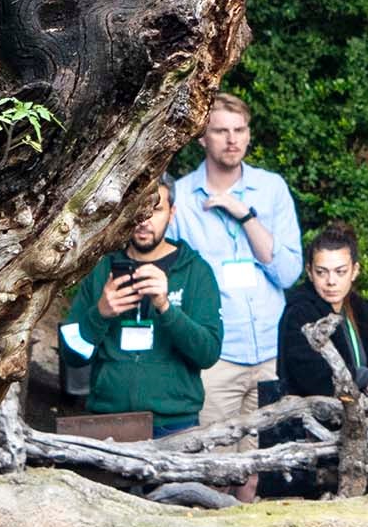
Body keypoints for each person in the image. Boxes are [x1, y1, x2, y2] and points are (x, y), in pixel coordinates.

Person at [167, 94, 304, 425]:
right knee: (216, 468)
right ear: (201, 137)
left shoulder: (271, 189)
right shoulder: (181, 199)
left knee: (266, 469)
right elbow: (176, 283)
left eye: (239, 130)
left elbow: (288, 274)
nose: (232, 140)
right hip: (216, 358)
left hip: (272, 351)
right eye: (220, 131)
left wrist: (246, 217)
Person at [55, 184, 223, 435]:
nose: (144, 220)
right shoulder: (102, 269)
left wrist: (166, 308)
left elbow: (208, 353)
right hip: (108, 423)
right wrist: (99, 314)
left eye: (155, 210)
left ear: (172, 212)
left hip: (174, 425)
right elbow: (72, 356)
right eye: (137, 210)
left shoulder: (195, 271)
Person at [272, 228, 368, 402]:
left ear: (354, 271)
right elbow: (310, 376)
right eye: (321, 272)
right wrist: (361, 376)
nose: (331, 281)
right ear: (309, 272)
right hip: (316, 419)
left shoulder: (361, 310)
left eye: (340, 272)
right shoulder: (299, 312)